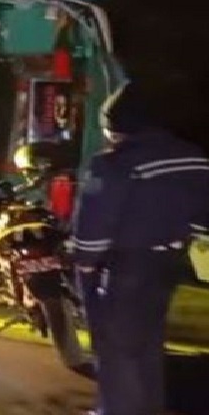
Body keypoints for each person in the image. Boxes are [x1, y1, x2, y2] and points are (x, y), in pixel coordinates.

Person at [70, 85, 209, 415]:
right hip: (170, 262)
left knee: (116, 347)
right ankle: (148, 407)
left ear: (117, 125)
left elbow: (95, 220)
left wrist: (85, 262)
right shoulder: (194, 157)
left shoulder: (112, 164)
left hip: (126, 266)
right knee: (148, 341)